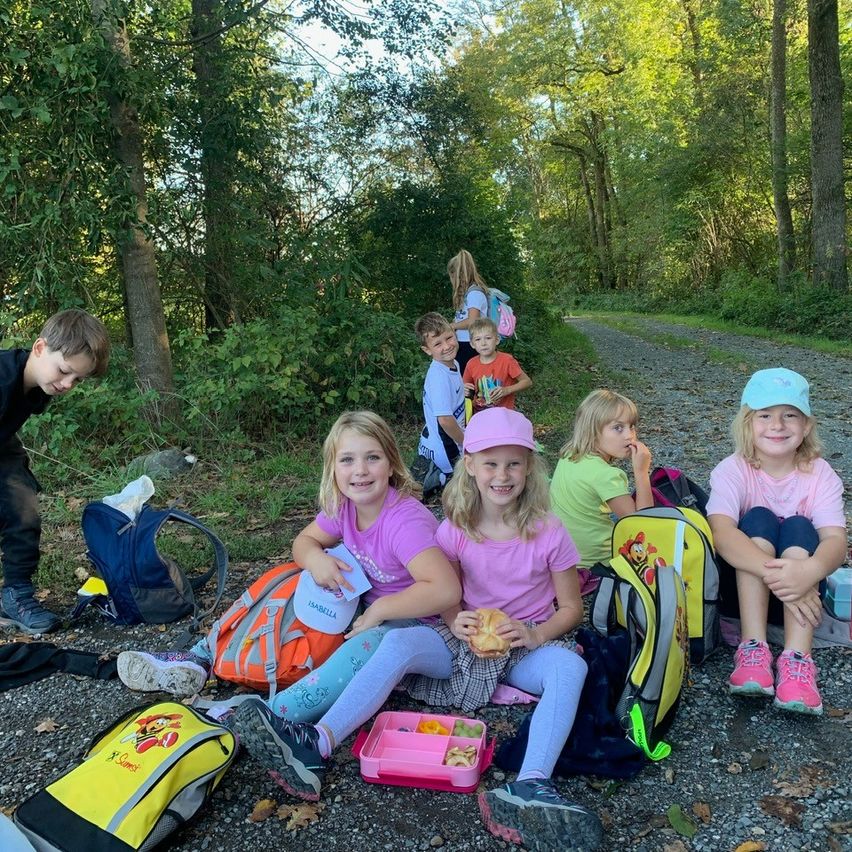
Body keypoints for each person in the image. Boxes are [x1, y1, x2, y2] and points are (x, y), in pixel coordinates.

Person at [230, 408, 603, 852]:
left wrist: (536, 633)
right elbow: (446, 597)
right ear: (470, 465)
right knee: (399, 639)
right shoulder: (455, 530)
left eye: (513, 464)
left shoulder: (549, 532)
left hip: (522, 646)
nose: (502, 476)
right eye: (490, 463)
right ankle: (317, 743)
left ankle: (530, 787)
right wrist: (456, 620)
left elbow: (571, 608)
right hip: (458, 639)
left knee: (568, 667)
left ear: (530, 468)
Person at [117, 410, 461, 725]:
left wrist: (381, 609)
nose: (360, 470)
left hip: (424, 625)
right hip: (363, 606)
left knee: (361, 651)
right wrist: (317, 560)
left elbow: (445, 590)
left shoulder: (404, 522)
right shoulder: (345, 507)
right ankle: (200, 656)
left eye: (373, 457)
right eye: (348, 460)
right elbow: (303, 543)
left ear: (391, 464)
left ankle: (264, 717)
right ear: (333, 469)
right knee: (283, 579)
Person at [706, 368, 846, 715]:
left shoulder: (820, 474)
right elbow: (721, 532)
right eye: (764, 415)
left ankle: (797, 659)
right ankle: (753, 647)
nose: (777, 425)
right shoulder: (732, 469)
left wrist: (809, 570)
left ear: (807, 425)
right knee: (757, 518)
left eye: (790, 415)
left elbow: (835, 540)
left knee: (800, 526)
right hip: (746, 593)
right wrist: (784, 578)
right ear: (747, 423)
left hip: (796, 592)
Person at [0, 309, 110, 634]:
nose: (67, 384)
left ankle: (15, 594)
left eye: (77, 379)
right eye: (64, 371)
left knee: (22, 503)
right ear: (39, 348)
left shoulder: (38, 385)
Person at [549, 389, 653, 595]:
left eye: (631, 426)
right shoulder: (606, 475)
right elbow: (642, 522)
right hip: (595, 563)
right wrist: (642, 473)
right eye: (617, 428)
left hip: (562, 556)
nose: (630, 435)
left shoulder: (569, 455)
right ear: (592, 431)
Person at [415, 312, 466, 484]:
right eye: (437, 344)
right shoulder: (438, 376)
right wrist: (466, 442)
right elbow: (444, 419)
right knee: (463, 486)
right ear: (427, 350)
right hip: (448, 444)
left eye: (449, 337)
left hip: (456, 432)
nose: (447, 346)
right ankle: (444, 479)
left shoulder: (454, 363)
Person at [463, 316, 532, 412]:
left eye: (488, 338)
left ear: (497, 340)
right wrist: (465, 389)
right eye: (478, 339)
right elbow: (465, 386)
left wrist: (506, 390)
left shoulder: (507, 360)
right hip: (479, 415)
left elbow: (527, 382)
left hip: (504, 415)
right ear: (472, 344)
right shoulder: (471, 364)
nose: (483, 343)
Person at [447, 248, 489, 374]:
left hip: (471, 345)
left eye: (452, 275)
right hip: (463, 343)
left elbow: (472, 321)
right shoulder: (466, 295)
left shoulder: (474, 293)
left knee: (470, 382)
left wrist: (452, 326)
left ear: (459, 274)